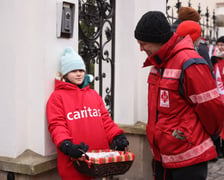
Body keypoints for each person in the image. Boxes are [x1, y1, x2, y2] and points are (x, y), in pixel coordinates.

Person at [134, 11, 224, 180]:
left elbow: (211, 109)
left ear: (157, 40)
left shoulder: (190, 63)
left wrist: (206, 136)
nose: (141, 49)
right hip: (162, 156)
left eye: (143, 43)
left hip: (188, 159)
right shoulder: (158, 62)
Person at [46, 47, 129, 180]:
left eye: (81, 70)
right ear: (65, 74)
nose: (78, 74)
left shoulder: (93, 94)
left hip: (99, 162)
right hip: (75, 162)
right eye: (73, 71)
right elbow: (57, 125)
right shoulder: (57, 97)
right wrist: (66, 145)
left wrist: (117, 136)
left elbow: (106, 121)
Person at [211, 36, 224, 158]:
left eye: (222, 45)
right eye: (219, 44)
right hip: (215, 96)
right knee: (216, 123)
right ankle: (217, 148)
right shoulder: (212, 60)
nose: (220, 47)